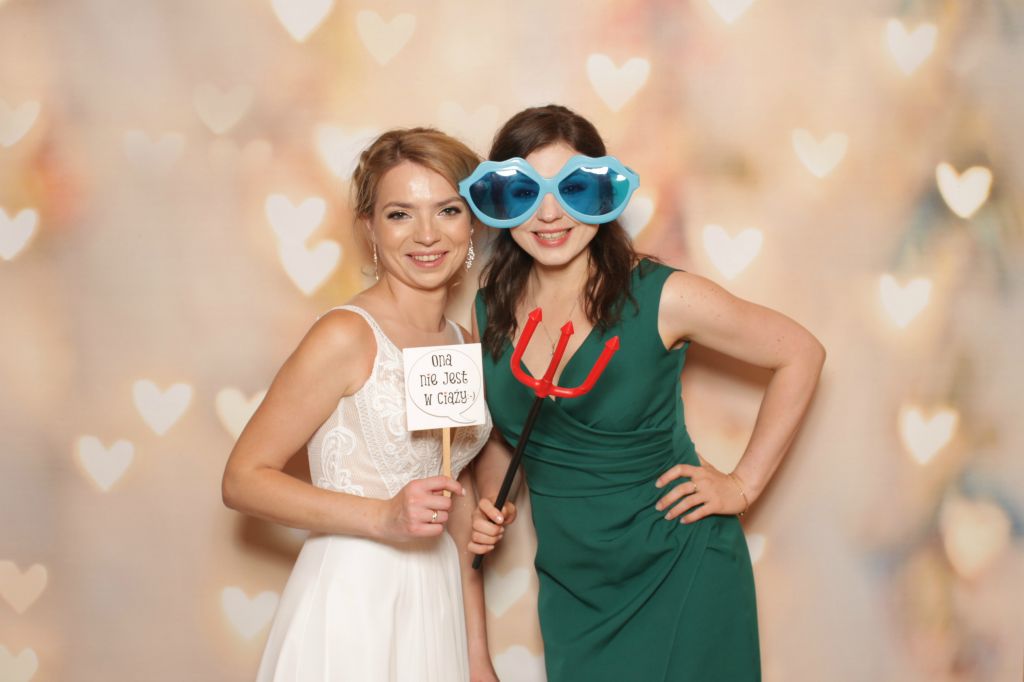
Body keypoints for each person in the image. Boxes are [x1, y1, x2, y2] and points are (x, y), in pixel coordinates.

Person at [463, 105, 826, 681]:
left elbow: (801, 352)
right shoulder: (491, 310)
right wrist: (493, 500)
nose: (550, 213)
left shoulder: (662, 296)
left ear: (602, 193)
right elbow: (511, 435)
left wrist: (743, 484)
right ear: (502, 200)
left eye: (573, 188)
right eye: (527, 191)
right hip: (575, 588)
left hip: (680, 564)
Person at [221, 128, 499, 681]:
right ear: (369, 227)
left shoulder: (462, 342)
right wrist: (382, 516)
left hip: (435, 601)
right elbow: (242, 479)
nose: (426, 234)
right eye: (400, 214)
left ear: (471, 223)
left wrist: (475, 655)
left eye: (447, 210)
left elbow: (453, 493)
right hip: (354, 601)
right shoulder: (346, 335)